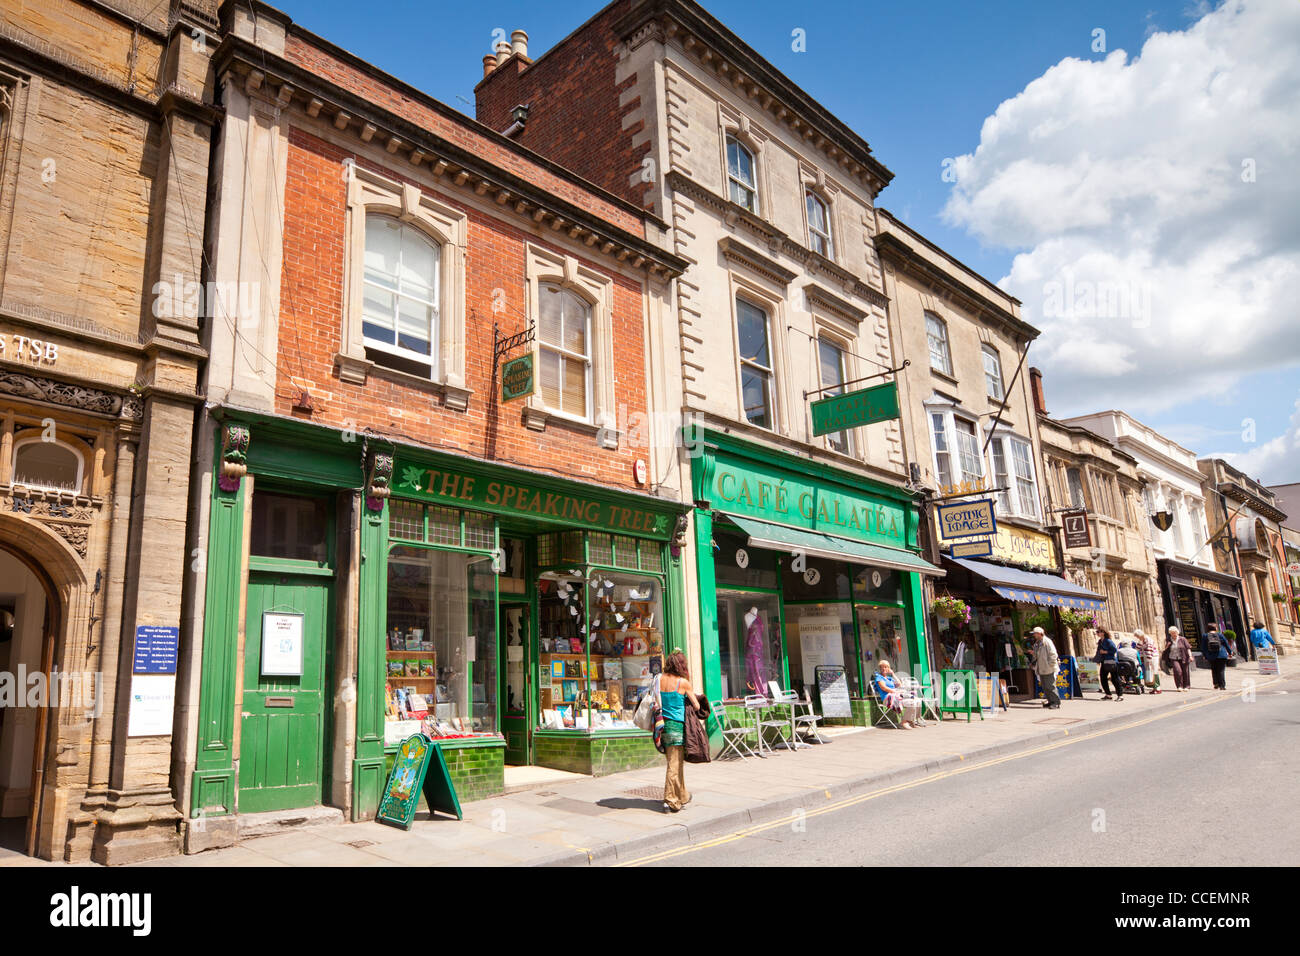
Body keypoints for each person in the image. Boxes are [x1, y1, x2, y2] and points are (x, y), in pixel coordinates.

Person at [658, 650, 700, 812]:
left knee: (677, 761)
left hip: (663, 725)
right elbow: (696, 705)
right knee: (674, 765)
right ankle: (670, 799)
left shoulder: (660, 679)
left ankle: (682, 795)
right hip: (677, 727)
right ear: (681, 665)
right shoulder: (683, 683)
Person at [873, 659, 924, 728]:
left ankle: (912, 721)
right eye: (883, 667)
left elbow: (899, 684)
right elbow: (884, 688)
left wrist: (893, 674)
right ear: (880, 668)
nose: (884, 668)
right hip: (888, 698)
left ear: (889, 668)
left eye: (886, 667)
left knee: (917, 701)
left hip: (896, 696)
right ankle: (904, 722)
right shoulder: (879, 677)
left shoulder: (889, 678)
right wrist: (895, 691)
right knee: (911, 702)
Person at [1028, 626, 1060, 709]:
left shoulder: (1047, 642)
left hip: (1048, 668)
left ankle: (1056, 702)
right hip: (1041, 668)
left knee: (1050, 686)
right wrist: (1033, 659)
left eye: (1035, 633)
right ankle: (1050, 701)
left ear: (1039, 634)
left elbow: (1053, 654)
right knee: (1045, 687)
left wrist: (1051, 665)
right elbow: (1037, 655)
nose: (1034, 635)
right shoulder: (1037, 643)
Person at [1095, 626, 1124, 700]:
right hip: (1104, 661)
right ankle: (1108, 694)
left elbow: (1114, 650)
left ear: (1103, 633)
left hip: (1111, 661)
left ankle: (1120, 695)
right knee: (1103, 678)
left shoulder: (1108, 641)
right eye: (1097, 632)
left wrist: (1105, 652)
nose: (1097, 633)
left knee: (1115, 679)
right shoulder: (1100, 641)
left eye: (1098, 632)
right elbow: (1098, 651)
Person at [1164, 626, 1192, 691]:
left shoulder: (1182, 639)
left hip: (1184, 657)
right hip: (1173, 657)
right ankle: (1179, 686)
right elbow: (1166, 649)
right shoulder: (1168, 640)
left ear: (1177, 632)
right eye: (1172, 633)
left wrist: (1190, 656)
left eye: (1174, 632)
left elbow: (1188, 648)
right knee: (1178, 671)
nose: (1174, 634)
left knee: (1185, 672)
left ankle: (1186, 686)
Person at [1205, 624, 1232, 690]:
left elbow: (1204, 647)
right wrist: (1230, 652)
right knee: (1221, 670)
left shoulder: (1205, 636)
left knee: (1214, 670)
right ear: (1215, 628)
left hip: (1211, 655)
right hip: (1221, 654)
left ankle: (1216, 684)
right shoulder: (1220, 635)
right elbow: (1226, 644)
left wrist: (1205, 655)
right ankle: (1222, 686)